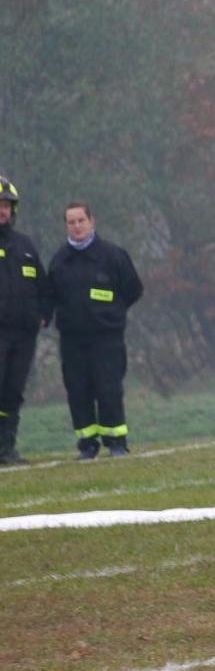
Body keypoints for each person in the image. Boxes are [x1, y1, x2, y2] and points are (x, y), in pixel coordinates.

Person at [45, 202, 143, 458]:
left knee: (108, 387)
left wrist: (111, 312)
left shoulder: (112, 255)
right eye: (71, 222)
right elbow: (50, 296)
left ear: (92, 222)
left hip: (106, 337)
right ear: (66, 225)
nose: (77, 226)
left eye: (81, 221)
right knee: (78, 390)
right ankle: (87, 444)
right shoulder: (59, 261)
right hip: (72, 340)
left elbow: (133, 289)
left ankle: (116, 442)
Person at [0, 173, 48, 466]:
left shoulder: (25, 246)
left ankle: (7, 449)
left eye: (7, 205)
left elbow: (43, 286)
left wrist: (43, 315)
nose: (2, 210)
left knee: (13, 391)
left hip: (24, 335)